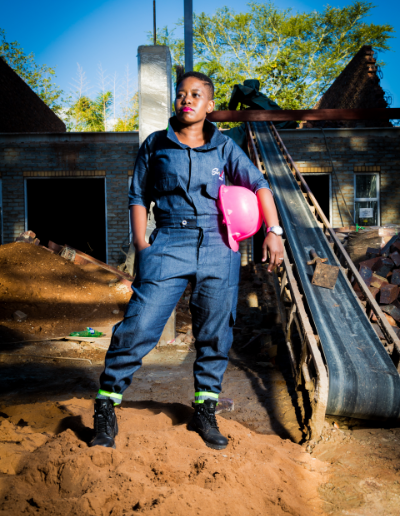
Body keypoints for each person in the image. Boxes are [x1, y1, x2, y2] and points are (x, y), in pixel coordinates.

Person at [90, 72, 284, 450]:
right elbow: (138, 196)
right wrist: (141, 243)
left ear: (209, 105)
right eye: (181, 94)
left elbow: (259, 184)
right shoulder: (156, 144)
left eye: (196, 94)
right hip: (169, 241)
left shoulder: (225, 147)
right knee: (140, 324)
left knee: (215, 331)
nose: (187, 99)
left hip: (218, 244)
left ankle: (205, 411)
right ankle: (106, 405)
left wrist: (273, 230)